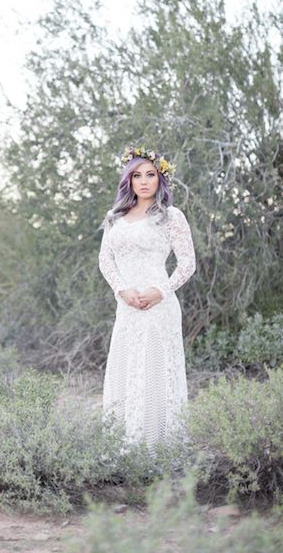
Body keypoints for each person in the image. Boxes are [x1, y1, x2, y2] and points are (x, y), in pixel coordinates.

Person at [98, 144, 196, 449]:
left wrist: (161, 290)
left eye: (150, 175)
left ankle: (158, 447)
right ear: (128, 180)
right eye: (137, 175)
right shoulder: (114, 217)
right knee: (125, 369)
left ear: (160, 179)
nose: (143, 181)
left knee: (156, 372)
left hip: (158, 306)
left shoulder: (171, 217)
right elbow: (105, 259)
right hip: (127, 306)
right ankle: (123, 445)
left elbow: (188, 263)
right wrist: (121, 290)